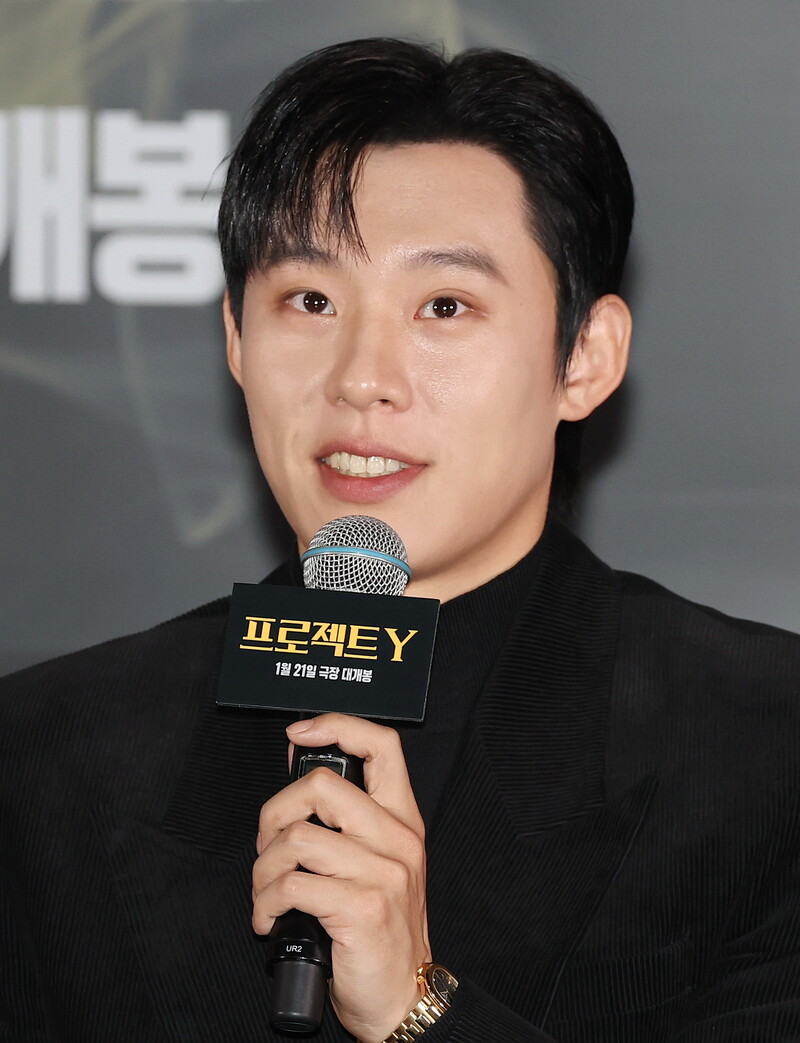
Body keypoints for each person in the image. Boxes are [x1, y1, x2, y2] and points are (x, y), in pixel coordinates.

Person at [2, 36, 800, 1043]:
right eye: (310, 301)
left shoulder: (765, 750)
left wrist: (416, 1009)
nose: (362, 378)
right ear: (236, 338)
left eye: (443, 306)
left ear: (584, 358)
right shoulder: (44, 758)